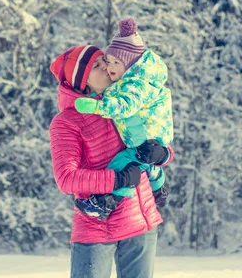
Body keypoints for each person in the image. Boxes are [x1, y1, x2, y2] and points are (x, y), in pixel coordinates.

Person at [49, 44, 174, 278]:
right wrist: (117, 179)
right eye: (97, 66)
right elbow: (66, 178)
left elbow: (157, 134)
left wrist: (162, 154)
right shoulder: (66, 122)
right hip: (97, 229)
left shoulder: (125, 101)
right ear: (82, 81)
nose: (107, 67)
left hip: (141, 223)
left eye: (104, 61)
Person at [72, 18, 173, 220]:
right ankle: (159, 186)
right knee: (141, 164)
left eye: (116, 63)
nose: (110, 68)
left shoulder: (137, 84)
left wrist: (98, 107)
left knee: (122, 163)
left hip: (145, 135)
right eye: (109, 61)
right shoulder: (130, 80)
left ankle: (106, 202)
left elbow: (126, 105)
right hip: (144, 135)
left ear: (131, 65)